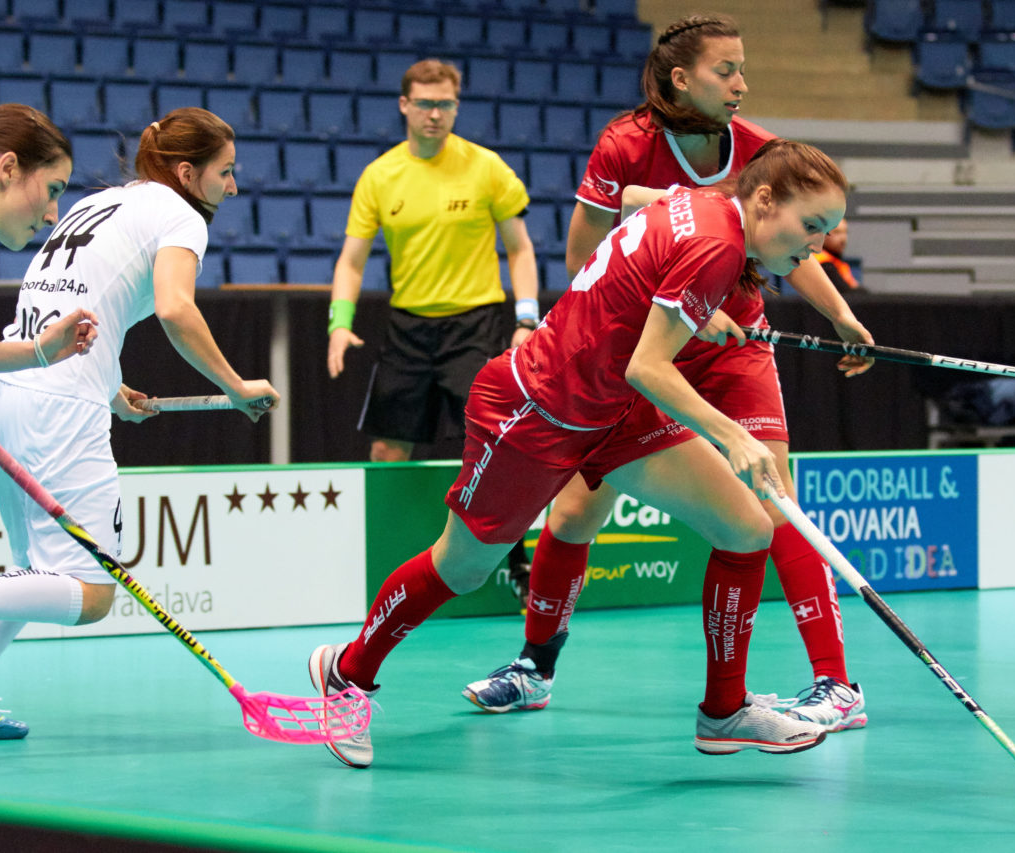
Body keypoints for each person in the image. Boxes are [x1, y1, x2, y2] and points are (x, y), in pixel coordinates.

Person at [310, 139, 850, 768]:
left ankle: (724, 711)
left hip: (613, 409)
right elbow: (652, 366)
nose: (815, 245)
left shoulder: (704, 204)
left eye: (829, 231)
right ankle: (348, 674)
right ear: (763, 199)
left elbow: (637, 262)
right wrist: (734, 436)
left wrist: (696, 318)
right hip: (537, 409)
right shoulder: (719, 244)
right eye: (811, 226)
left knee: (746, 529)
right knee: (462, 568)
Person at [462, 14, 872, 734]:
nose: (742, 84)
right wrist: (684, 306)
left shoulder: (759, 153)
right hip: (649, 349)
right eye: (727, 70)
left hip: (738, 345)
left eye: (745, 69)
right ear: (682, 78)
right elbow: (583, 255)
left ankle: (835, 683)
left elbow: (792, 243)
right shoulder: (627, 144)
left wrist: (841, 314)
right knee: (573, 512)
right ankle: (535, 665)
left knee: (775, 499)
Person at [0, 107, 279, 741]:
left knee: (33, 568)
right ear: (188, 173)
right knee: (89, 592)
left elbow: (73, 306)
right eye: (226, 172)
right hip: (58, 406)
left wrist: (110, 388)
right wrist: (237, 386)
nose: (233, 186)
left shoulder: (94, 204)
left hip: (2, 390)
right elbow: (174, 308)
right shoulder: (180, 215)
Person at [324, 58, 539, 581]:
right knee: (386, 447)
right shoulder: (380, 175)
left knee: (494, 441)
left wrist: (526, 318)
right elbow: (351, 260)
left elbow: (521, 249)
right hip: (408, 328)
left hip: (475, 324)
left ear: (456, 107)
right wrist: (338, 323)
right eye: (425, 103)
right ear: (405, 104)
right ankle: (380, 561)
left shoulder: (486, 168)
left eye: (445, 104)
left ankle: (513, 562)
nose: (435, 114)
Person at [0, 103, 103, 740]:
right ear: (8, 167)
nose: (53, 215)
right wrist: (38, 353)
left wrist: (39, 352)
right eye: (50, 192)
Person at [816, 218, 859, 292]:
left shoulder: (837, 263)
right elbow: (846, 294)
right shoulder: (824, 264)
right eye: (837, 232)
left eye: (845, 232)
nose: (843, 238)